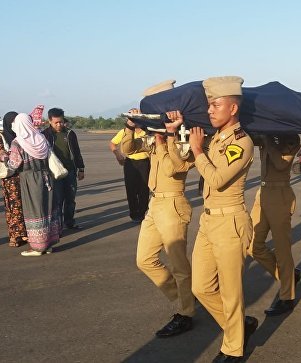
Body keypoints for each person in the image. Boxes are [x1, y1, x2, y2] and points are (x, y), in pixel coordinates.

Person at [188, 76, 257, 362]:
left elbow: (217, 179)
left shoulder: (242, 142)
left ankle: (234, 349)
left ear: (233, 109)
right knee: (201, 287)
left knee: (231, 292)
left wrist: (196, 151)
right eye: (208, 105)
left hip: (230, 222)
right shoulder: (215, 138)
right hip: (208, 221)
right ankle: (240, 326)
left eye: (216, 104)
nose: (210, 110)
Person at [120, 107, 197, 339]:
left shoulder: (184, 139)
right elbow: (127, 149)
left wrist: (168, 138)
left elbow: (175, 167)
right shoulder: (152, 139)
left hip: (173, 204)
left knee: (179, 265)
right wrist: (130, 127)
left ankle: (186, 313)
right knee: (144, 260)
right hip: (154, 205)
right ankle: (187, 297)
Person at [248, 133, 301, 316]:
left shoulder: (291, 137)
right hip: (262, 193)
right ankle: (288, 277)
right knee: (253, 246)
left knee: (282, 249)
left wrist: (267, 139)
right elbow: (248, 138)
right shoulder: (265, 131)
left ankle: (287, 297)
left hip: (280, 193)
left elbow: (281, 164)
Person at [8, 113, 61, 256]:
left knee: (34, 210)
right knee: (48, 208)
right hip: (46, 176)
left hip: (30, 179)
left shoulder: (18, 142)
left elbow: (13, 164)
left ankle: (38, 247)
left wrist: (1, 157)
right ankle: (49, 244)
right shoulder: (41, 138)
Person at [42, 108, 85, 229]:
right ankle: (58, 225)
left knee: (70, 199)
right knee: (57, 200)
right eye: (56, 122)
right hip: (54, 173)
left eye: (61, 121)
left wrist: (81, 168)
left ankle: (69, 222)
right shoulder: (45, 135)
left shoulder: (70, 134)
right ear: (49, 121)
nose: (59, 124)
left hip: (70, 171)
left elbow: (76, 152)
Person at [110, 109, 151, 222]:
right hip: (130, 163)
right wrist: (118, 155)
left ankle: (142, 212)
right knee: (131, 189)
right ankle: (134, 213)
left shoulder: (147, 131)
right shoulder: (124, 131)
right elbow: (113, 144)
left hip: (145, 163)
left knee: (144, 189)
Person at [0, 111, 28, 247]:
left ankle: (25, 233)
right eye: (12, 121)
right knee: (14, 206)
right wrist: (11, 157)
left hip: (25, 175)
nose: (15, 124)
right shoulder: (0, 136)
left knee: (26, 205)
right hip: (11, 177)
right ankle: (15, 235)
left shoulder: (23, 134)